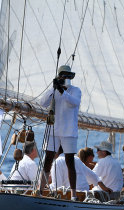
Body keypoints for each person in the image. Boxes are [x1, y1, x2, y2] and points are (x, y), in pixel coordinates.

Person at [39, 65, 81, 200]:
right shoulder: (55, 90)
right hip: (54, 130)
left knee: (70, 161)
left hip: (69, 131)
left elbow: (73, 103)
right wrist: (53, 87)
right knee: (48, 159)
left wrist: (63, 91)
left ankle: (73, 194)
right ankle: (40, 190)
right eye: (63, 76)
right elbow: (42, 103)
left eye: (68, 76)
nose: (66, 79)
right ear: (59, 77)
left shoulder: (75, 90)